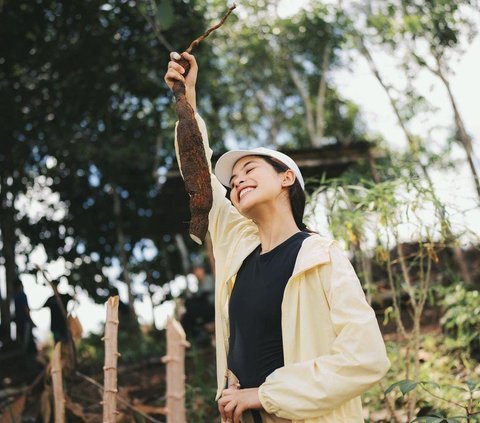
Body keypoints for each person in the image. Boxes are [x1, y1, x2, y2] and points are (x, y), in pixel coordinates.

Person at [164, 52, 390, 423]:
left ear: (286, 178)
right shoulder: (237, 246)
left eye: (249, 170)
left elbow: (365, 358)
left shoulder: (322, 257)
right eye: (234, 181)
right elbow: (199, 170)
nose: (237, 182)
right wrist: (185, 100)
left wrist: (266, 395)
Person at [13, 280, 37, 355]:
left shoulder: (14, 296)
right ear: (20, 285)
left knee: (21, 339)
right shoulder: (22, 295)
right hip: (24, 321)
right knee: (26, 341)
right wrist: (31, 321)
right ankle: (25, 357)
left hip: (18, 321)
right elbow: (25, 309)